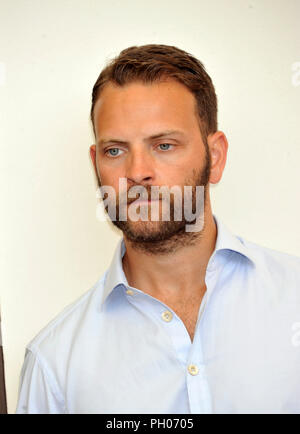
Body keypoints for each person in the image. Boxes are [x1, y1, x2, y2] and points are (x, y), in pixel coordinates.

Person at [16, 44, 300, 414]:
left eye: (164, 145)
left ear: (215, 157)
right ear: (95, 163)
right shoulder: (54, 364)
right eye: (115, 150)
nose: (137, 172)